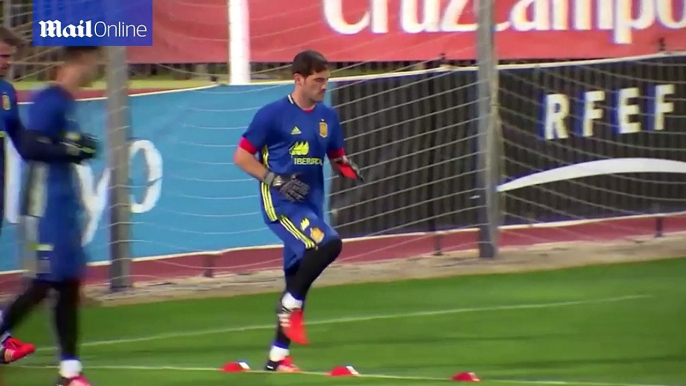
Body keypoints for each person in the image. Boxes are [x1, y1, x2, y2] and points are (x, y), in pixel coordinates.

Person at [233, 49, 364, 372]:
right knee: (328, 244)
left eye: (327, 81)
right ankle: (288, 305)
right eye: (318, 81)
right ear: (299, 79)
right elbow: (242, 157)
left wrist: (344, 165)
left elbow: (335, 154)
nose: (324, 87)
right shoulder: (272, 115)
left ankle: (277, 359)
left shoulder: (328, 117)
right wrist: (274, 179)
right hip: (282, 204)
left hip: (311, 202)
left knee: (296, 274)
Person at [0, 45, 101, 386]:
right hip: (44, 209)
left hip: (63, 206)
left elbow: (28, 141)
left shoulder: (65, 103)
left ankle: (70, 373)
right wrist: (70, 149)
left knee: (67, 285)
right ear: (77, 62)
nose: (95, 69)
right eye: (93, 61)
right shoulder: (48, 102)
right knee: (45, 284)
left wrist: (76, 149)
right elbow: (30, 148)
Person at [0, 26, 37, 364]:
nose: (7, 63)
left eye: (10, 57)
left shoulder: (7, 93)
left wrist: (46, 155)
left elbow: (19, 138)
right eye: (2, 56)